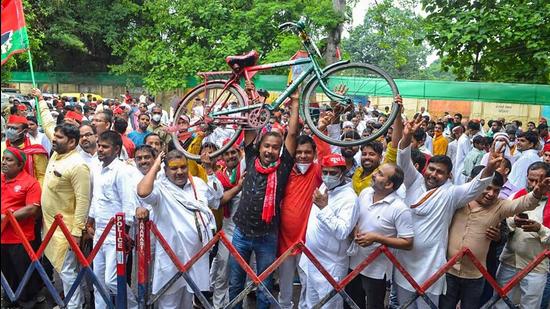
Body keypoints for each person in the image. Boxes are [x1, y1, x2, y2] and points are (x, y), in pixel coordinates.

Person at [394, 115, 498, 308]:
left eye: (439, 172)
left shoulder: (450, 193)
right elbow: (403, 158)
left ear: (448, 175)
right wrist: (406, 136)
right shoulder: (414, 180)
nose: (433, 174)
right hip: (404, 262)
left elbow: (475, 188)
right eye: (431, 169)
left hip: (430, 265)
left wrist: (490, 167)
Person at [228, 87, 299, 309]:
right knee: (235, 283)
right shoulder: (250, 158)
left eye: (275, 147)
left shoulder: (283, 166)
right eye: (266, 146)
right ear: (259, 148)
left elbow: (293, 134)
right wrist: (252, 99)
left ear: (280, 151)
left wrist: (295, 102)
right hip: (240, 232)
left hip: (267, 236)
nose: (270, 150)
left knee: (265, 287)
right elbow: (250, 125)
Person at [440, 169, 550, 309]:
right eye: (488, 188)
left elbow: (523, 203)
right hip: (447, 270)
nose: (491, 194)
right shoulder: (457, 199)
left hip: (476, 275)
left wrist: (537, 192)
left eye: (496, 190)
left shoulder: (500, 206)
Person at [137, 150, 216, 309]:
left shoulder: (198, 184)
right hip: (170, 259)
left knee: (187, 303)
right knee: (169, 304)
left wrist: (209, 170)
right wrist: (156, 165)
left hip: (196, 257)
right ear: (165, 170)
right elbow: (143, 192)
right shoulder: (160, 189)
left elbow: (215, 201)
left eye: (183, 167)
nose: (179, 172)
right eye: (173, 168)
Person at [349, 163, 413, 309]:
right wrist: (355, 230)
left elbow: (408, 242)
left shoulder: (399, 208)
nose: (373, 174)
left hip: (376, 271)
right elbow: (357, 219)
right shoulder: (365, 193)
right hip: (353, 263)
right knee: (351, 303)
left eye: (380, 174)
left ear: (389, 184)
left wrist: (377, 238)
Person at [87, 131, 139, 309]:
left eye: (105, 147)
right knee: (98, 280)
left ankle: (133, 307)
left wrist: (123, 234)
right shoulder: (98, 168)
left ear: (117, 149)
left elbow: (128, 204)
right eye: (99, 146)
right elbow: (96, 197)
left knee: (112, 280)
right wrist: (90, 220)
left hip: (115, 235)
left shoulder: (122, 171)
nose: (100, 149)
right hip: (99, 232)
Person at [41, 123, 91, 309]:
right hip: (50, 227)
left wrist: (77, 232)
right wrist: (39, 99)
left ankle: (74, 306)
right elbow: (46, 125)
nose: (53, 139)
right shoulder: (57, 153)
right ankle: (76, 303)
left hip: (66, 230)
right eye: (54, 136)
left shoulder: (78, 165)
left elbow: (83, 201)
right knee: (65, 271)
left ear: (72, 142)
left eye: (59, 137)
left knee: (67, 271)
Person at [299, 153, 358, 308]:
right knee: (312, 304)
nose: (327, 176)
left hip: (331, 267)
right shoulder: (326, 186)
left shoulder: (349, 198)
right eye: (325, 172)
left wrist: (324, 208)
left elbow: (343, 231)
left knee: (329, 305)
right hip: (313, 261)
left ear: (343, 173)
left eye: (333, 173)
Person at [491, 162, 550, 308]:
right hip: (509, 262)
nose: (534, 184)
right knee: (500, 304)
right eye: (531, 180)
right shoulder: (516, 196)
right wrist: (513, 222)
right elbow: (503, 221)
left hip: (536, 267)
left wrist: (539, 229)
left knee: (530, 306)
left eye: (539, 181)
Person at [277, 135, 323, 309]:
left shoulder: (318, 171)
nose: (303, 156)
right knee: (284, 287)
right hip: (284, 242)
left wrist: (322, 129)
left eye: (307, 152)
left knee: (308, 286)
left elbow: (327, 156)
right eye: (299, 152)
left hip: (307, 242)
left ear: (314, 153)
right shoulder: (285, 171)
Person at [1, 147, 43, 308]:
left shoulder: (30, 183)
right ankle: (10, 300)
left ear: (20, 165)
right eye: (4, 158)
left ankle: (28, 302)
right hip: (2, 236)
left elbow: (32, 209)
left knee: (24, 273)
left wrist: (6, 217)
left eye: (9, 160)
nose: (4, 162)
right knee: (7, 271)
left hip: (21, 238)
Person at [211, 140, 246, 308]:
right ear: (222, 158)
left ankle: (238, 304)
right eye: (227, 153)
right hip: (227, 228)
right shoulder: (219, 177)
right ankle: (218, 306)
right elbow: (218, 201)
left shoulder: (245, 169)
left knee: (242, 273)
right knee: (222, 271)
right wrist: (238, 188)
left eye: (234, 152)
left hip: (246, 232)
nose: (231, 156)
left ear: (239, 154)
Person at [1, 115, 49, 186]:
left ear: (25, 131)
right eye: (8, 127)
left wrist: (35, 192)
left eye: (14, 128)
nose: (9, 131)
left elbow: (42, 176)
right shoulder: (2, 146)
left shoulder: (35, 149)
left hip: (28, 190)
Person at [453, 120, 481, 185]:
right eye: (474, 132)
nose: (474, 134)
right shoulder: (464, 140)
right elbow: (469, 155)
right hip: (463, 166)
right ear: (471, 130)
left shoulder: (465, 138)